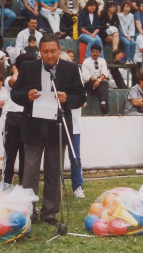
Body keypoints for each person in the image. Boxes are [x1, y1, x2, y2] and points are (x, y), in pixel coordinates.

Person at [11, 34, 86, 226]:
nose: (49, 55)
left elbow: (80, 96)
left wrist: (66, 99)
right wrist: (27, 96)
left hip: (57, 128)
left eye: (53, 51)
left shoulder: (70, 69)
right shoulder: (28, 67)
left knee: (54, 170)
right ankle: (29, 211)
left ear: (59, 49)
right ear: (39, 52)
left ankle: (50, 212)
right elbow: (15, 93)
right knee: (30, 172)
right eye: (45, 52)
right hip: (33, 128)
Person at [1, 54, 34, 185]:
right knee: (9, 157)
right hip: (12, 122)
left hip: (27, 120)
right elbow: (14, 81)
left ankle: (22, 187)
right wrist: (15, 70)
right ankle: (5, 186)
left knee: (24, 158)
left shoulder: (32, 80)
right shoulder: (10, 78)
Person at [59, 52, 85, 199]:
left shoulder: (75, 74)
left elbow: (81, 97)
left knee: (75, 156)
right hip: (55, 122)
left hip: (73, 122)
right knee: (55, 157)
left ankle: (77, 186)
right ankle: (57, 186)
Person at [81, 44, 109, 115]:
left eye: (97, 52)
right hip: (88, 83)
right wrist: (98, 80)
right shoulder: (86, 62)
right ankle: (104, 106)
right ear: (90, 52)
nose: (95, 54)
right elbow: (86, 76)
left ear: (99, 53)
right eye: (93, 52)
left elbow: (105, 73)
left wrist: (99, 81)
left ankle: (103, 104)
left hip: (100, 83)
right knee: (103, 86)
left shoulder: (102, 61)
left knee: (104, 84)